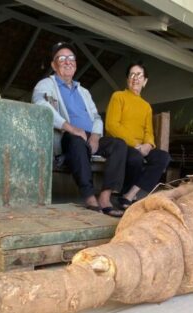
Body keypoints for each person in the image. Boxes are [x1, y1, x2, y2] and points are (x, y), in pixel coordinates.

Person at [32, 42, 126, 217]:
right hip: (66, 135)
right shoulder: (45, 84)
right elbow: (40, 105)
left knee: (119, 144)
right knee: (76, 142)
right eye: (62, 58)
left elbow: (97, 117)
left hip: (90, 135)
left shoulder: (84, 91)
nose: (68, 61)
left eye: (71, 58)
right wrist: (70, 127)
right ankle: (90, 197)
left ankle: (105, 198)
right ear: (54, 65)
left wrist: (96, 136)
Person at [105, 62, 171, 209]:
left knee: (163, 157)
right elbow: (112, 125)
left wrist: (148, 145)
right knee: (135, 157)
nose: (135, 78)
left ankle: (130, 194)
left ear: (145, 81)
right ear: (127, 79)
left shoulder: (146, 106)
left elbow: (149, 131)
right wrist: (135, 145)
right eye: (132, 75)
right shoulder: (118, 96)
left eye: (139, 75)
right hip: (123, 145)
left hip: (142, 146)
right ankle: (124, 193)